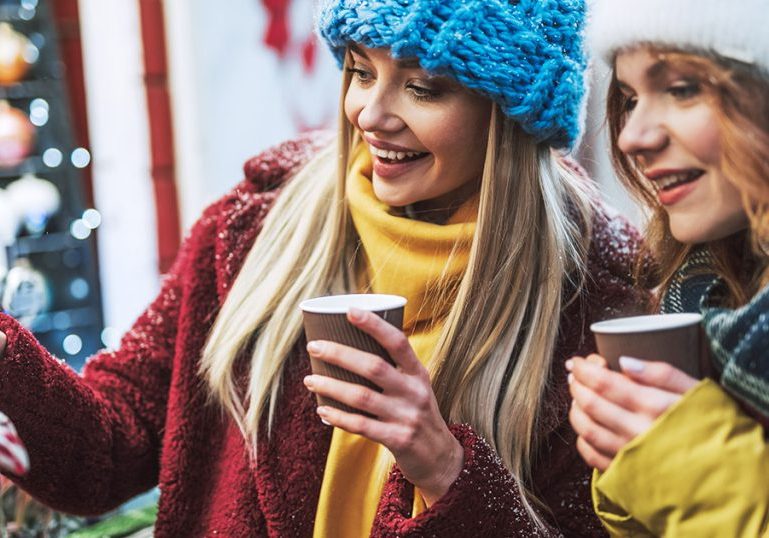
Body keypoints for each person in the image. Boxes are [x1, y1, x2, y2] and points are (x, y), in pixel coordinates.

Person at [0, 0, 645, 536]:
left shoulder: (599, 299)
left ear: (508, 114)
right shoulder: (254, 227)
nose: (370, 114)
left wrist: (446, 469)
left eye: (422, 87)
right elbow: (105, 450)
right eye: (361, 72)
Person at [567, 0, 769, 535]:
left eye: (681, 88)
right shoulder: (701, 293)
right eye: (629, 99)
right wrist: (631, 457)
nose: (632, 137)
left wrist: (701, 474)